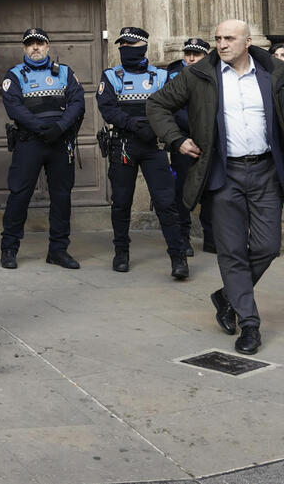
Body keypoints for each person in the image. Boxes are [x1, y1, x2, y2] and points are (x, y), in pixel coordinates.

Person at [148, 20, 284, 355]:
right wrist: (177, 139)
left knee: (268, 246)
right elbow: (156, 104)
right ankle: (249, 323)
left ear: (248, 41)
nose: (221, 44)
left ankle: (227, 295)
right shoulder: (199, 76)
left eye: (229, 39)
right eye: (218, 39)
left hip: (266, 170)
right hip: (223, 174)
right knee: (232, 250)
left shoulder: (274, 74)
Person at [96, 27, 189, 279]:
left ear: (144, 47)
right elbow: (107, 108)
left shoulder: (162, 76)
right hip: (123, 145)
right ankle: (121, 253)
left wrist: (154, 127)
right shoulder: (111, 75)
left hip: (154, 147)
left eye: (131, 44)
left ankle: (178, 258)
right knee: (121, 203)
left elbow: (173, 105)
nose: (125, 48)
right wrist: (133, 124)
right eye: (122, 44)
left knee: (166, 203)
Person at [0, 28, 85, 269]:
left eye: (39, 43)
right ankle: (9, 249)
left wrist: (60, 127)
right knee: (19, 194)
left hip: (59, 142)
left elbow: (78, 102)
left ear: (47, 47)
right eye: (30, 44)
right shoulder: (14, 75)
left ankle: (58, 250)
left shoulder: (65, 72)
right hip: (29, 142)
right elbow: (14, 107)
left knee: (61, 197)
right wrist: (40, 128)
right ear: (24, 49)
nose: (35, 47)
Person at [167, 38, 215, 255]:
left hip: (212, 141)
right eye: (188, 54)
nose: (191, 58)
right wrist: (197, 130)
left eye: (197, 54)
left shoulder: (216, 73)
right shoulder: (175, 74)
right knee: (183, 190)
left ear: (206, 56)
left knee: (212, 189)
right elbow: (174, 109)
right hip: (186, 141)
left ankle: (212, 237)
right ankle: (183, 239)